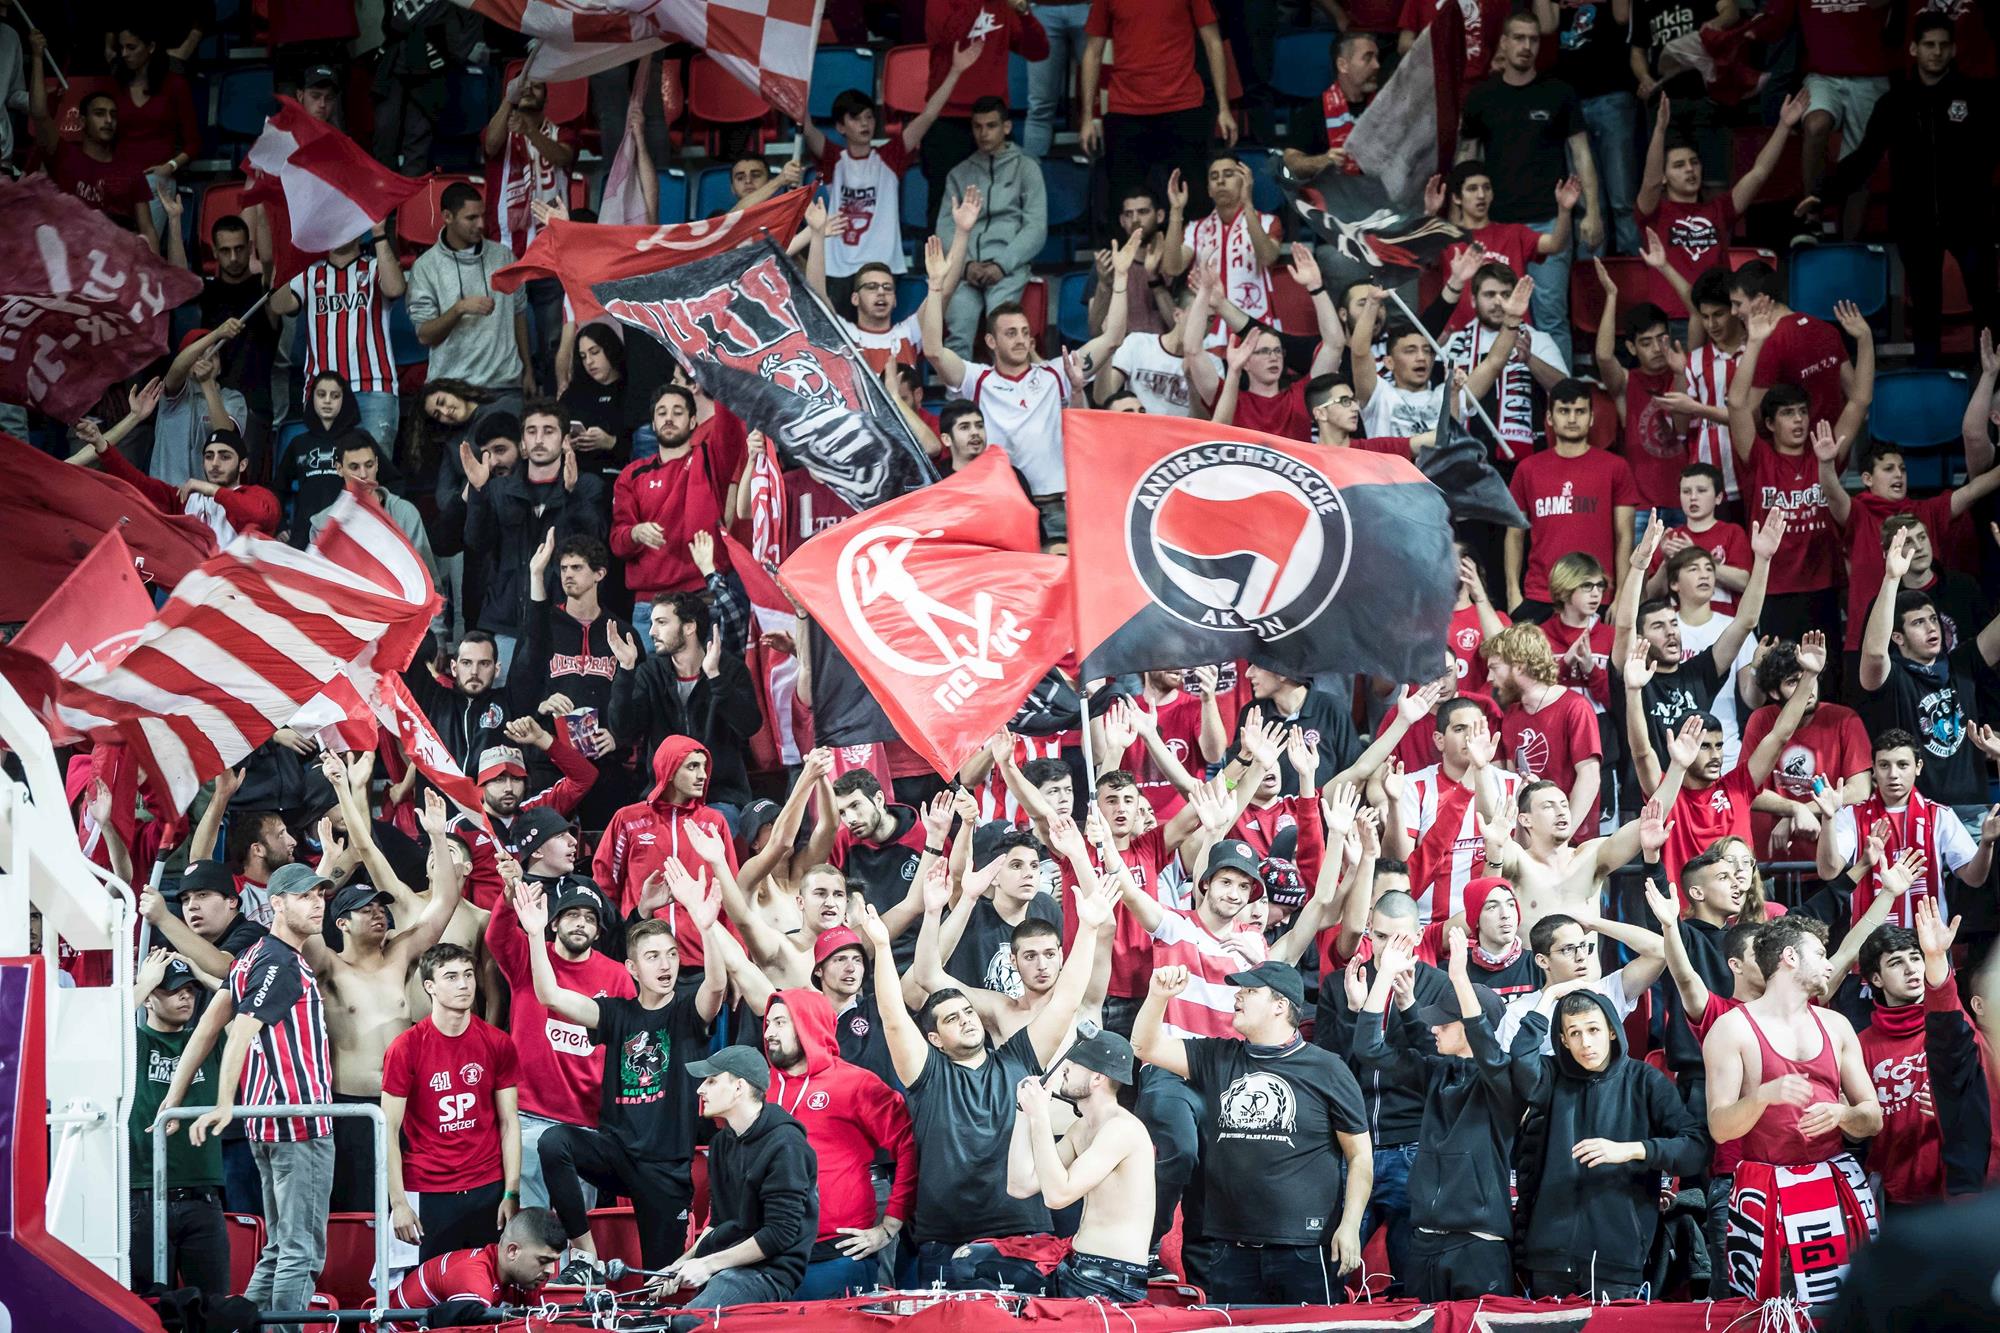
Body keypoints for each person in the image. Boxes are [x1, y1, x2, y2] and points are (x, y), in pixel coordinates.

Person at [855, 860, 1113, 1288]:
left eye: (968, 1011)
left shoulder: (1018, 1058)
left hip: (1024, 1236)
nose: (966, 1019)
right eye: (951, 1018)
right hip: (944, 1241)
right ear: (935, 1039)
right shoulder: (927, 1074)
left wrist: (1086, 929)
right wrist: (883, 949)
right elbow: (895, 1018)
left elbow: (1066, 1001)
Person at [514, 871, 725, 1274]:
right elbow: (549, 995)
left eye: (671, 954)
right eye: (653, 956)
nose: (665, 964)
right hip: (617, 1155)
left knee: (662, 1280)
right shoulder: (616, 1013)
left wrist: (706, 927)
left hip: (665, 1171)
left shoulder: (687, 1012)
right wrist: (535, 935)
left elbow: (715, 986)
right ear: (632, 967)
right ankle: (585, 1255)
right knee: (554, 1142)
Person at [1135, 958, 1371, 1303]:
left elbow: (1360, 1155)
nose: (1237, 996)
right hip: (1230, 1248)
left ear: (1280, 1005)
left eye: (1249, 990)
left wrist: (1350, 1226)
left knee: (1309, 1327)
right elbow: (1145, 1047)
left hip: (1306, 1247)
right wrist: (1158, 996)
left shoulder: (1327, 1069)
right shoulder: (1217, 1055)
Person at [164, 863, 336, 1333]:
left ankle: (241, 1328)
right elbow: (236, 1032)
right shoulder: (279, 961)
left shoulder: (252, 955)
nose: (316, 904)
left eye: (319, 896)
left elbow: (207, 1027)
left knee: (279, 1248)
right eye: (304, 897)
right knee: (301, 1249)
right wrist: (223, 1102)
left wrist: (173, 1099)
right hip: (298, 1124)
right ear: (276, 903)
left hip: (270, 1124)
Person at [1705, 917, 1884, 1302]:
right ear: (1789, 956)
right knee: (1768, 1312)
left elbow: (1873, 1118)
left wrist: (1843, 1115)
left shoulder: (1836, 1025)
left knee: (1847, 1310)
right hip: (1766, 1187)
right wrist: (1763, 1096)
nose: (1829, 965)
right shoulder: (1731, 1029)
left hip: (1834, 1179)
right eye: (1819, 954)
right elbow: (1719, 1128)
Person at [1808, 17, 1998, 363]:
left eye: (1943, 45)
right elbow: (1864, 158)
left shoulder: (1976, 97)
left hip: (1971, 219)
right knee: (1925, 309)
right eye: (1929, 45)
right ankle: (1928, 382)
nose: (1936, 52)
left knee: (1987, 304)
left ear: (1954, 49)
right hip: (1916, 222)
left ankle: (1994, 379)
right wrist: (1822, 193)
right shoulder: (1895, 103)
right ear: (1913, 49)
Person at [1351, 930, 1524, 1300]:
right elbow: (1368, 1047)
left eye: (1444, 1021)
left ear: (1470, 1026)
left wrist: (1459, 977)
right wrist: (1385, 976)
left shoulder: (1503, 1079)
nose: (1433, 1027)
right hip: (1424, 1241)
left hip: (1478, 1244)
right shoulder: (1436, 1071)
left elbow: (1487, 1049)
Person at [1511, 986, 1709, 1298]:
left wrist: (1632, 1150)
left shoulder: (1645, 1081)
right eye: (1574, 1033)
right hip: (1548, 1258)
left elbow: (1696, 1148)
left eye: (1593, 1030)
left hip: (1618, 1261)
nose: (1585, 1043)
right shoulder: (1551, 1076)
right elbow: (1520, 1058)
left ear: (1612, 1031)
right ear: (1562, 1040)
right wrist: (1547, 998)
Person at [923, 227, 1138, 498]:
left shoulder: (1057, 371)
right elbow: (934, 351)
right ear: (991, 341)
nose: (1021, 340)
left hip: (1055, 500)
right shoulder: (977, 379)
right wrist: (935, 286)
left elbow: (1112, 338)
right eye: (1011, 333)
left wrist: (1121, 277)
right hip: (1003, 500)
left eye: (1025, 332)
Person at [483, 863, 635, 1210]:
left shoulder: (617, 976)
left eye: (590, 918)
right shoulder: (529, 955)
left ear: (598, 932)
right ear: (553, 923)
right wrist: (508, 896)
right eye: (572, 915)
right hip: (528, 1115)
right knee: (530, 1224)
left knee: (577, 1224)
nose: (581, 923)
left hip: (585, 1121)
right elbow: (497, 937)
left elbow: (626, 1048)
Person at [1456, 11, 1605, 363]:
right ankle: (1505, 390)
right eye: (1519, 38)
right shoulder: (1482, 97)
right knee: (1496, 317)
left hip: (1549, 222)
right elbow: (1465, 160)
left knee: (1551, 317)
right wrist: (1456, 218)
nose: (1526, 46)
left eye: (1533, 39)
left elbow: (1582, 154)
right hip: (1497, 226)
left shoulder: (1559, 93)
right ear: (1504, 43)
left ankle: (1561, 394)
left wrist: (1593, 212)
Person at [760, 987, 917, 1298]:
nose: (768, 1033)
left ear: (807, 1024)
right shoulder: (757, 1088)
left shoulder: (856, 1083)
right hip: (769, 1255)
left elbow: (909, 1144)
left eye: (779, 1023)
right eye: (767, 1024)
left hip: (840, 1252)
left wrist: (890, 1225)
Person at [805, 43, 983, 305]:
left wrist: (955, 71)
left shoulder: (890, 157)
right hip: (838, 269)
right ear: (840, 127)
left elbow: (928, 116)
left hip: (883, 267)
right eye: (855, 118)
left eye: (869, 117)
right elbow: (806, 127)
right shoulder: (833, 160)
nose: (865, 123)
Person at [381, 942, 522, 1261]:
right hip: (428, 1187)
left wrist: (511, 1191)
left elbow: (509, 1122)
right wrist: (398, 1202)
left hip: (488, 1187)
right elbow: (387, 1129)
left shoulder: (498, 1043)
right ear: (429, 986)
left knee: (486, 1284)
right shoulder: (405, 1048)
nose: (464, 984)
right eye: (451, 977)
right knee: (427, 1286)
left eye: (469, 975)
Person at [1613, 512, 1780, 764]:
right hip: (1648, 787)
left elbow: (1745, 622)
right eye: (1658, 626)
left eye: (1673, 624)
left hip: (1700, 783)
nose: (1671, 631)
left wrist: (1763, 560)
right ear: (1640, 640)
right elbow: (1625, 625)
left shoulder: (1698, 675)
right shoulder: (1633, 678)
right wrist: (1639, 565)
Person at [1003, 1029, 1156, 1301]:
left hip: (1111, 1278)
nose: (1064, 1069)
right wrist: (1023, 1112)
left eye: (1074, 1063)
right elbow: (1020, 1185)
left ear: (1097, 1078)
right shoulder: (1081, 1128)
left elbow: (1057, 1196)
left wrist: (1040, 1116)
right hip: (1079, 1265)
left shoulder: (1121, 1129)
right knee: (975, 1263)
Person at [663, 1045, 819, 1307]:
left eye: (712, 1081)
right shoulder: (721, 1143)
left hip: (768, 1273)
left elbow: (779, 1234)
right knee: (667, 1318)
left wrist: (708, 1264)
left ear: (739, 1088)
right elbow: (718, 1221)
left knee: (689, 1322)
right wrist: (683, 1263)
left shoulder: (786, 1144)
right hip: (727, 1268)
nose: (700, 1089)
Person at [1857, 535, 2000, 819]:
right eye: (1918, 623)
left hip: (1973, 812)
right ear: (1898, 637)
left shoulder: (1962, 663)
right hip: (1918, 815)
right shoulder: (1893, 677)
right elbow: (1873, 652)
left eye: (1933, 619)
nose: (1931, 627)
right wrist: (1891, 579)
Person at [1079, 0, 1236, 241]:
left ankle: (1196, 263)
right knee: (1124, 206)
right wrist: (1088, 117)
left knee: (1195, 203)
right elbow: (1092, 51)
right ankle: (1128, 265)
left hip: (1183, 105)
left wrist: (1224, 108)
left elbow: (1213, 42)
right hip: (1126, 109)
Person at [1814, 729, 1997, 933]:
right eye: (1884, 765)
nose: (1893, 774)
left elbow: (1974, 878)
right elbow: (1828, 871)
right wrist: (1828, 818)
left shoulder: (1939, 815)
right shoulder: (1851, 814)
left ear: (1918, 767)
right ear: (1873, 768)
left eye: (1902, 765)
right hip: (1869, 943)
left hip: (1927, 941)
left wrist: (1986, 843)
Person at [608, 592, 763, 816]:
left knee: (714, 825)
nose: (652, 632)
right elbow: (624, 732)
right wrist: (625, 669)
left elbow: (749, 726)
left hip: (719, 797)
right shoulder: (650, 673)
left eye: (661, 623)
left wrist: (715, 677)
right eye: (652, 623)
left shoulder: (729, 669)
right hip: (663, 798)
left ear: (689, 626)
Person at [593, 737, 741, 972]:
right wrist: (611, 947)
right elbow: (605, 886)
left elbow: (730, 894)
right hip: (642, 955)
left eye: (704, 767)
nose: (703, 775)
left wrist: (738, 962)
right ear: (669, 770)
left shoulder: (714, 822)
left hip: (702, 959)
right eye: (692, 766)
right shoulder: (628, 820)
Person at [609, 385, 745, 637]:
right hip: (649, 606)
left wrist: (718, 375)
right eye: (662, 413)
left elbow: (730, 426)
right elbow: (618, 543)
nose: (669, 418)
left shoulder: (711, 460)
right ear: (653, 423)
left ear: (693, 421)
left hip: (702, 599)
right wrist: (635, 533)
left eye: (678, 412)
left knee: (712, 665)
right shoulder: (631, 475)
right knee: (647, 667)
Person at [130, 952, 228, 1299]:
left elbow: (247, 1007)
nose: (186, 995)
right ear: (150, 998)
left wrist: (202, 974)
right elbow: (98, 1031)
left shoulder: (208, 1040)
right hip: (143, 1195)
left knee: (213, 1307)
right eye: (172, 989)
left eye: (190, 989)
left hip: (204, 1196)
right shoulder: (132, 1042)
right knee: (147, 1308)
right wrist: (144, 984)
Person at [1636, 91, 1811, 285]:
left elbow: (1759, 172)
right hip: (1670, 305)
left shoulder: (1719, 209)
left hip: (1716, 304)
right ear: (1663, 177)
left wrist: (1783, 126)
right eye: (1679, 165)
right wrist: (1660, 130)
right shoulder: (1654, 213)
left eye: (1694, 162)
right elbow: (1650, 183)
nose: (1689, 169)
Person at [1504, 379, 1640, 619]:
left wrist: (1621, 595)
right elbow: (1514, 534)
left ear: (1591, 418)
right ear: (1549, 417)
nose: (1572, 418)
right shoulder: (1528, 469)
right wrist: (1513, 592)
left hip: (1596, 594)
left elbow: (1625, 536)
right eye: (1564, 411)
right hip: (1540, 594)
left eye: (1580, 411)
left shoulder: (1615, 467)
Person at [269, 226, 407, 454]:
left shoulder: (375, 266)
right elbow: (279, 305)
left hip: (374, 386)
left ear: (358, 229)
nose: (339, 230)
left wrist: (379, 234)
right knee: (326, 470)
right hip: (321, 391)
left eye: (346, 224)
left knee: (375, 470)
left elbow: (395, 288)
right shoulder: (310, 273)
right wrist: (285, 255)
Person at [935, 101, 1047, 358]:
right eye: (977, 126)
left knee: (1003, 331)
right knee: (959, 332)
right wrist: (965, 266)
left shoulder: (1027, 168)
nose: (983, 133)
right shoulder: (959, 173)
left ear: (1006, 127)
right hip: (965, 271)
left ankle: (1006, 383)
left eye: (991, 126)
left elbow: (1036, 228)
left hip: (1008, 268)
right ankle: (957, 386)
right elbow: (945, 227)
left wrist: (1002, 264)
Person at [408, 181, 530, 397]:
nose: (481, 224)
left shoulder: (504, 257)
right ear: (447, 217)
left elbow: (519, 315)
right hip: (450, 389)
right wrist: (459, 309)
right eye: (471, 218)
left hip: (505, 386)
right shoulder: (425, 267)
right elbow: (425, 336)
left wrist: (528, 369)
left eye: (482, 216)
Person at [1481, 623, 1604, 837]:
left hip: (1572, 843)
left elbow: (1590, 777)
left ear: (1519, 666)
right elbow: (1512, 779)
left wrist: (1565, 835)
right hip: (1529, 841)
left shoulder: (1575, 707)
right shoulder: (1511, 715)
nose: (1489, 678)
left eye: (1495, 667)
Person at [386, 1207, 565, 1332]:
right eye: (543, 1261)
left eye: (554, 1262)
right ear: (512, 1251)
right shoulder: (472, 1277)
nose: (550, 1271)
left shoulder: (525, 1278)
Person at [1281, 32, 1380, 184]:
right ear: (1343, 65)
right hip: (1337, 193)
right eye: (1368, 58)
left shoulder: (1387, 106)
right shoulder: (1314, 111)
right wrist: (1324, 160)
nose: (1377, 65)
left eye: (1377, 58)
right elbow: (1290, 163)